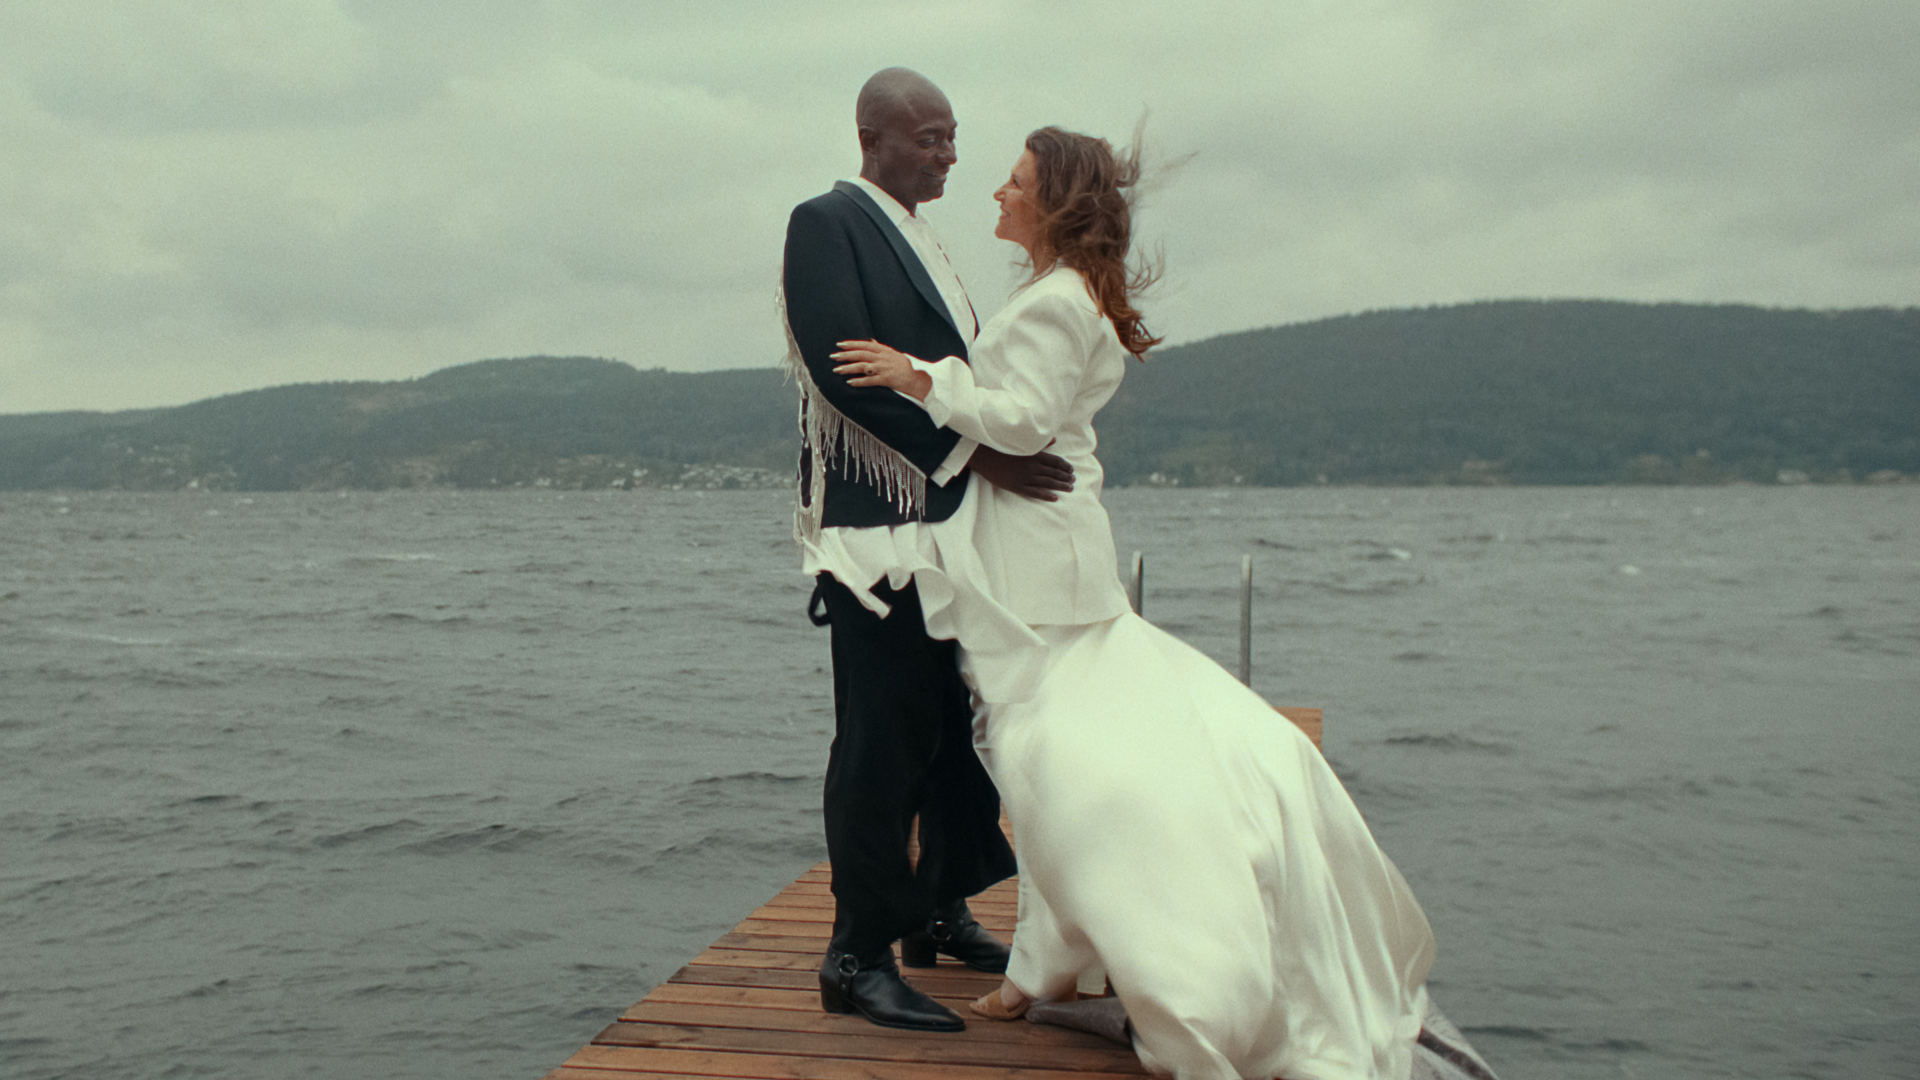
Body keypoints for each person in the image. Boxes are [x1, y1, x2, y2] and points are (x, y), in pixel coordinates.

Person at [830, 127, 1449, 1078]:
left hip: (1034, 568)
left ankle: (1057, 964)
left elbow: (1026, 421)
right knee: (1046, 761)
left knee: (1044, 766)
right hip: (1045, 549)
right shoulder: (1068, 295)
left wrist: (919, 378)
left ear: (1053, 203)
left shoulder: (1051, 306)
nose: (997, 191)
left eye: (1016, 181)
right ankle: (1050, 965)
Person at [779, 67, 1079, 1034]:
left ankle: (937, 914)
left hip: (945, 530)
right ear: (873, 137)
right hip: (877, 533)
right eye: (930, 138)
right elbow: (840, 372)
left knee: (947, 730)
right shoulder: (825, 222)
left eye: (953, 137)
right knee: (881, 741)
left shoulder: (924, 238)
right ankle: (855, 954)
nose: (950, 153)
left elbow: (948, 371)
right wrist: (979, 453)